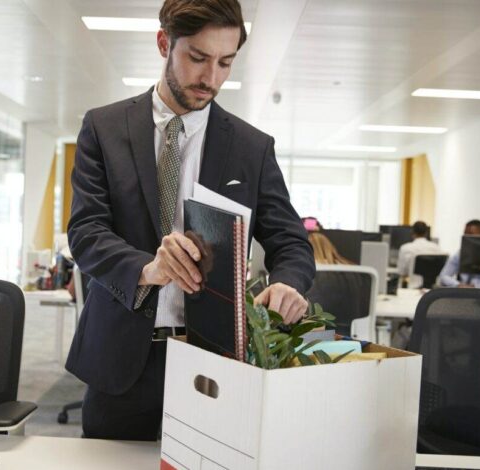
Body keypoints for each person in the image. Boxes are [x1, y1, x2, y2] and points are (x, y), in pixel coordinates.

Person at [65, 0, 315, 441]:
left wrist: (289, 282)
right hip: (121, 358)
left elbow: (290, 241)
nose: (212, 78)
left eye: (225, 62)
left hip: (215, 362)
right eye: (197, 58)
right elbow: (86, 232)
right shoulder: (103, 128)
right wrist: (148, 267)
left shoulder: (251, 148)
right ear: (164, 43)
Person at [438, 219, 480, 288]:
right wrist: (458, 285)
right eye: (465, 234)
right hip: (464, 293)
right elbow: (443, 276)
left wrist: (475, 286)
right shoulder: (460, 253)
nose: (467, 238)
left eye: (471, 234)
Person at [397, 221, 442, 288]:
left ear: (412, 233)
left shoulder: (405, 248)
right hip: (432, 291)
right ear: (426, 233)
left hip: (413, 288)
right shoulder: (436, 248)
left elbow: (401, 272)